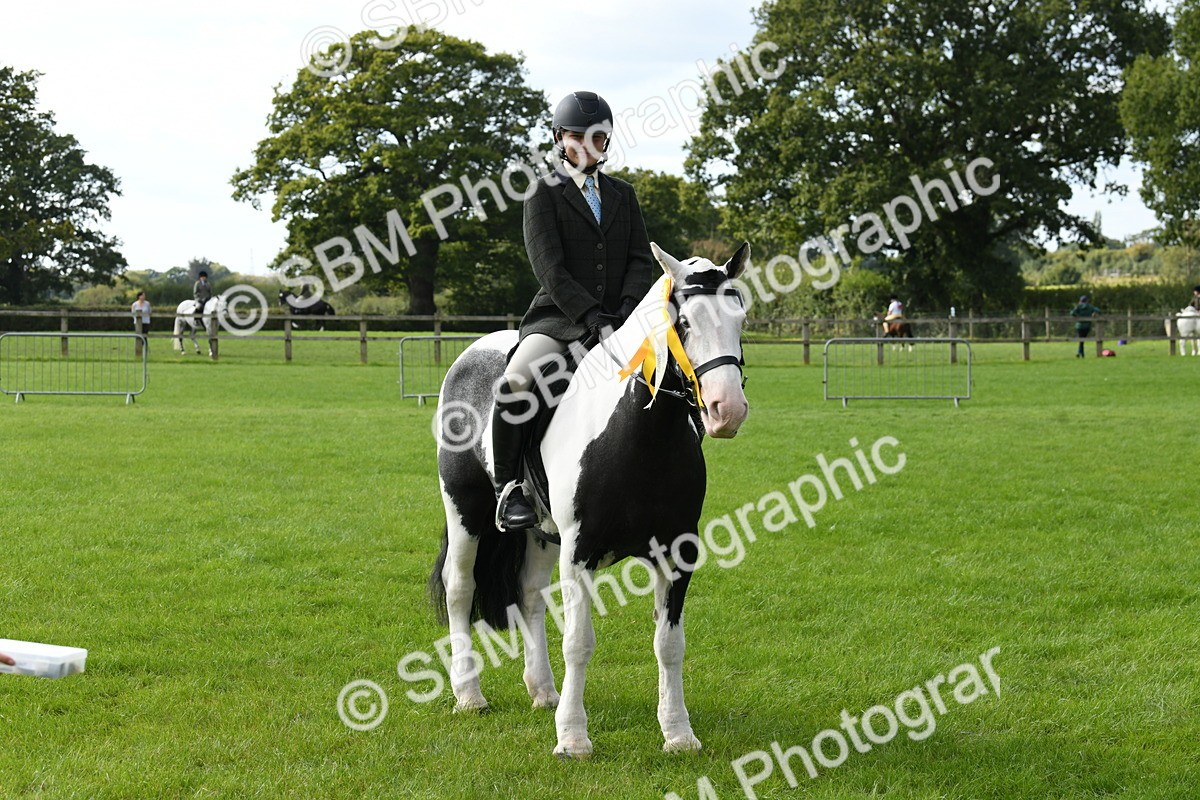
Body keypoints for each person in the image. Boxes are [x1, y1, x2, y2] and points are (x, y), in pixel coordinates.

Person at [490, 91, 653, 531]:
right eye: (577, 137)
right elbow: (550, 268)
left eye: (597, 137)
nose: (587, 145)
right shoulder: (541, 193)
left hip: (621, 320)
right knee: (515, 381)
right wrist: (590, 316)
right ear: (560, 138)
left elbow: (640, 259)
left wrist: (625, 310)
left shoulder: (623, 194)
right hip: (560, 318)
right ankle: (509, 489)